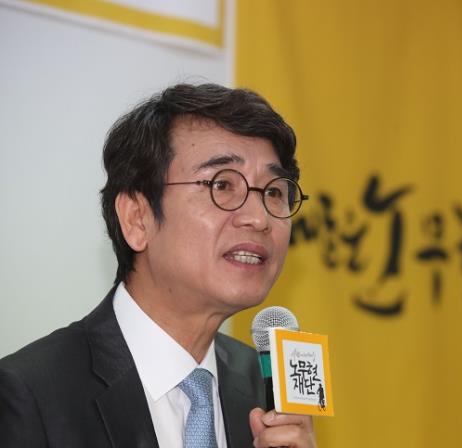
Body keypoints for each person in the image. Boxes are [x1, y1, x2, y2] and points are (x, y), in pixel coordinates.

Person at [0, 83, 317, 448]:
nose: (259, 218)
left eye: (274, 192)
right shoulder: (30, 395)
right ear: (137, 218)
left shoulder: (265, 387)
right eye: (222, 185)